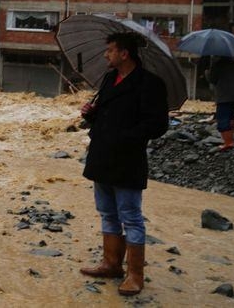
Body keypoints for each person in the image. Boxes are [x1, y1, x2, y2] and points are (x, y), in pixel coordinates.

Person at [79, 31, 169, 296]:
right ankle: (111, 264)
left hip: (128, 158)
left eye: (110, 50)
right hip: (102, 155)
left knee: (130, 217)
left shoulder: (150, 84)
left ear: (124, 53)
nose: (106, 55)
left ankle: (135, 275)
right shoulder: (109, 78)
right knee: (107, 212)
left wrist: (125, 136)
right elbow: (104, 114)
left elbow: (157, 125)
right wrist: (91, 114)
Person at [205, 56, 234, 152]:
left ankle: (228, 142)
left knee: (223, 119)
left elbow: (212, 79)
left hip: (224, 95)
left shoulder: (217, 64)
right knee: (231, 116)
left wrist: (207, 72)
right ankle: (231, 140)